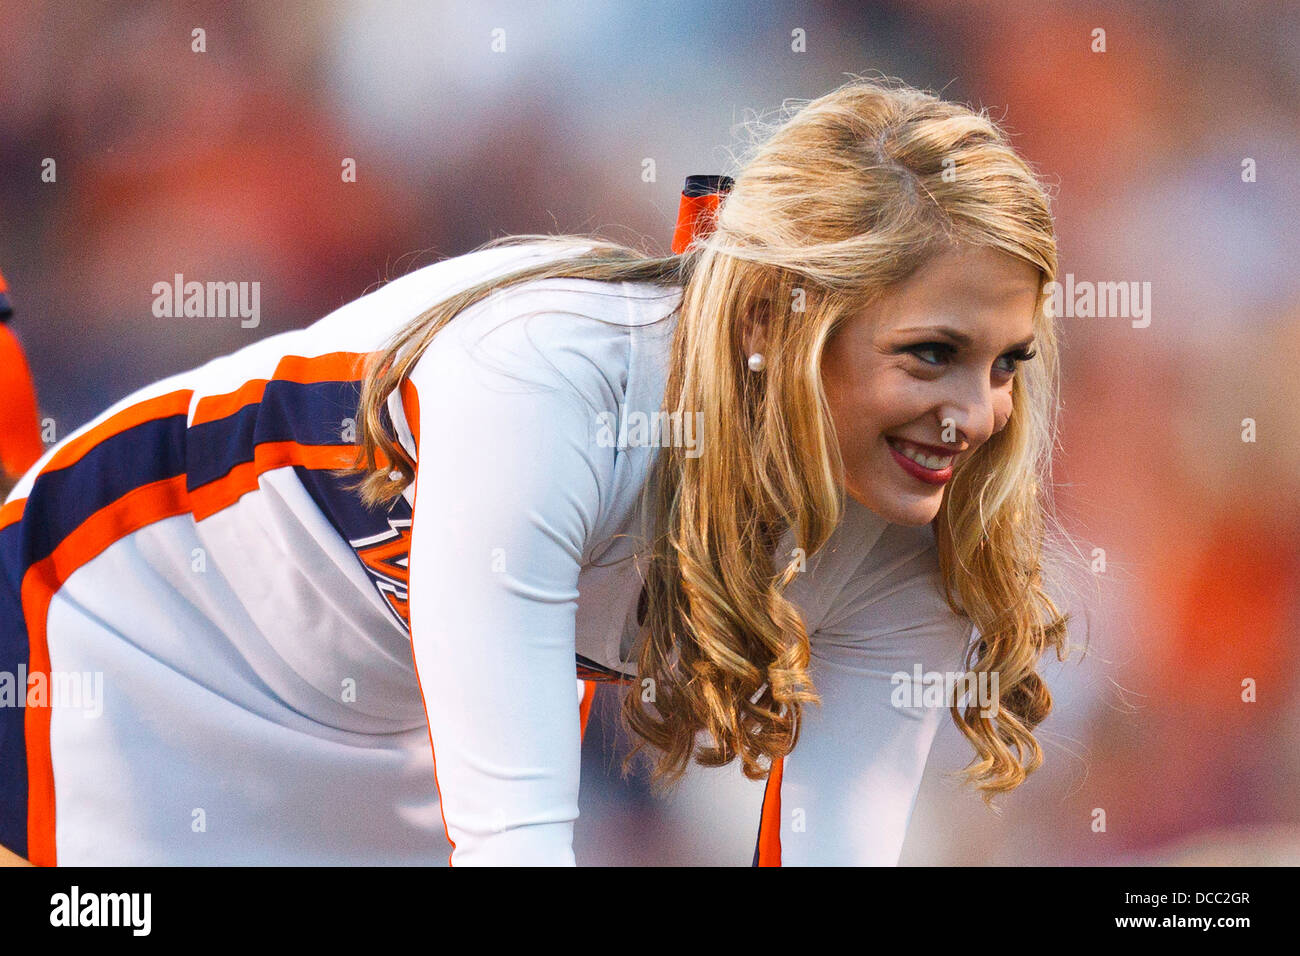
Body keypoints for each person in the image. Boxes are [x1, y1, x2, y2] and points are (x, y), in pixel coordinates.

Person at [0, 75, 1070, 866]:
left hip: (390, 744)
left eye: (1005, 362)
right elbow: (514, 845)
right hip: (127, 650)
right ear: (772, 316)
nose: (976, 415)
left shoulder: (912, 523)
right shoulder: (553, 386)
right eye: (930, 353)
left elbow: (831, 848)